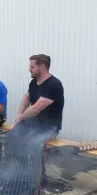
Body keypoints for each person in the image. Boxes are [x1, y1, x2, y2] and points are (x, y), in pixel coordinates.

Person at [8, 54, 64, 182]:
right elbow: (27, 97)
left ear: (42, 67)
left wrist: (21, 118)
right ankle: (18, 171)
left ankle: (39, 178)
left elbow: (36, 108)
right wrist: (19, 115)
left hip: (49, 127)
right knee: (12, 137)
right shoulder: (34, 82)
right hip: (33, 124)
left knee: (31, 143)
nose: (29, 69)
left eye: (32, 66)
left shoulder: (54, 85)